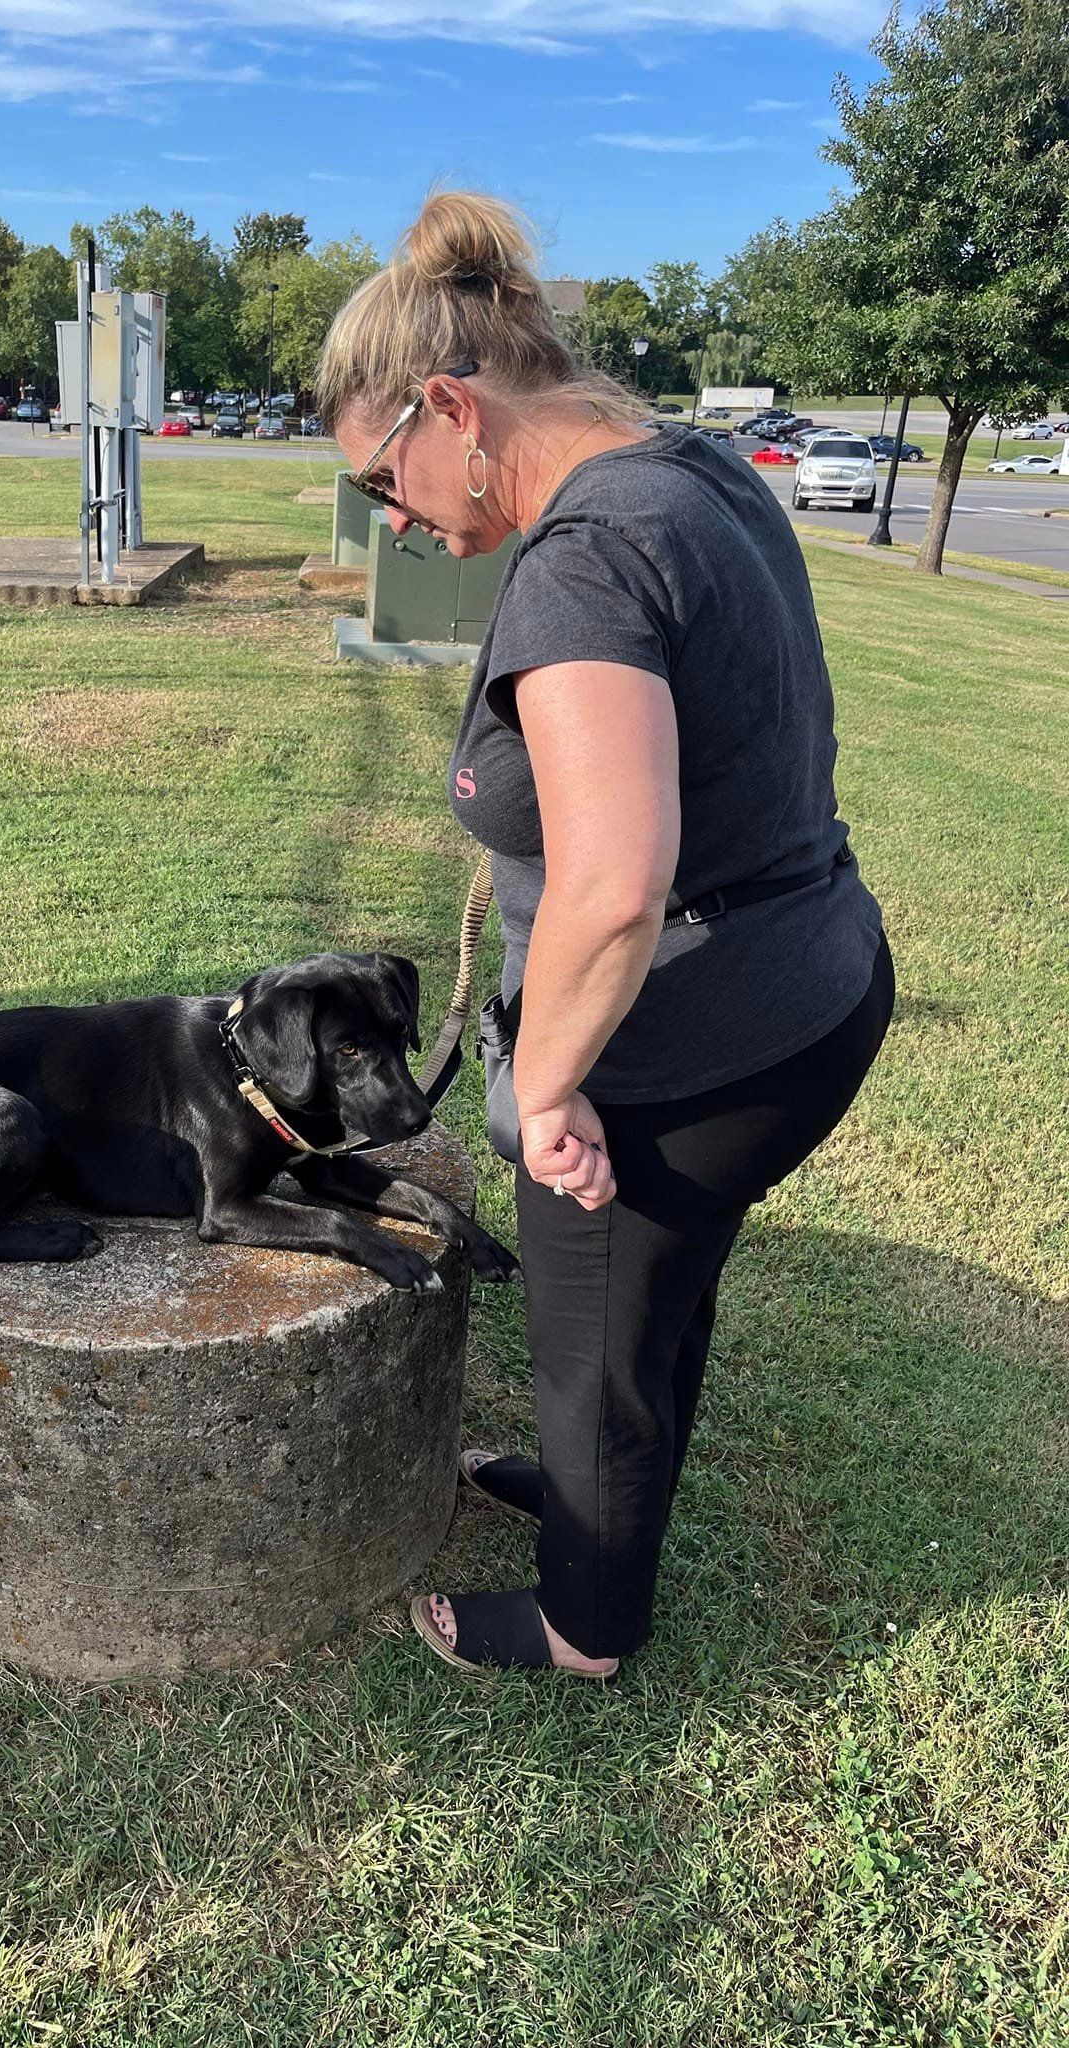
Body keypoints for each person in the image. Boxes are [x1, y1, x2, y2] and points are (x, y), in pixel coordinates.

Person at [314, 191, 893, 1681]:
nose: (394, 519)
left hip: (691, 1043)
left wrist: (552, 1086)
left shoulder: (581, 562)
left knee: (590, 1353)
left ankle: (584, 1626)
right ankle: (602, 1515)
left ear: (455, 405)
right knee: (657, 1304)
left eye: (385, 479)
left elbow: (615, 885)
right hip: (808, 983)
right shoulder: (688, 466)